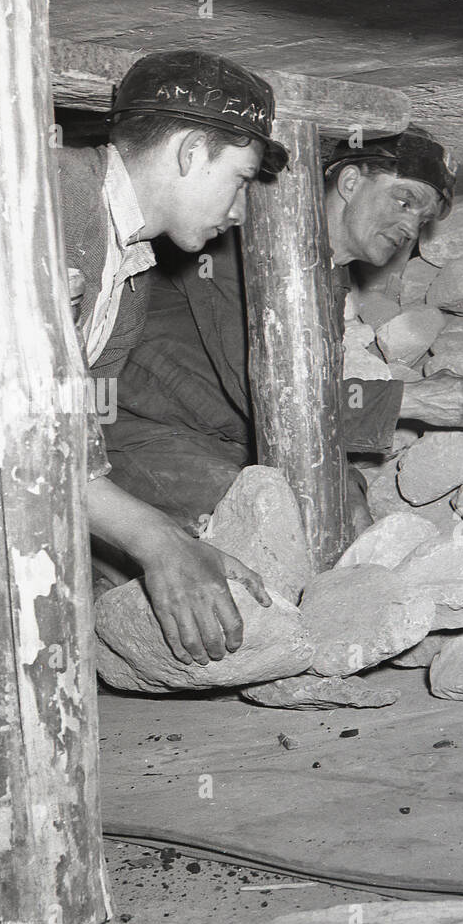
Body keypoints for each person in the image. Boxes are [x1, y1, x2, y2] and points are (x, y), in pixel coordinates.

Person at [101, 127, 463, 536]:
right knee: (274, 524)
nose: (410, 227)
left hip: (225, 434)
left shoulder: (329, 279)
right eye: (406, 201)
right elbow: (273, 395)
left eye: (422, 220)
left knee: (344, 503)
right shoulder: (247, 243)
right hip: (140, 432)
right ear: (349, 182)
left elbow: (306, 392)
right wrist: (409, 401)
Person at [60, 49, 290, 667]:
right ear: (191, 152)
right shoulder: (47, 199)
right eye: (241, 179)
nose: (240, 212)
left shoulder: (129, 278)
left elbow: (69, 439)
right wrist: (156, 541)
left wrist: (169, 543)